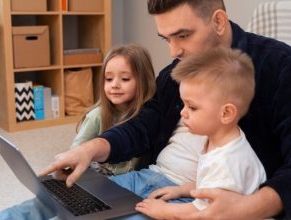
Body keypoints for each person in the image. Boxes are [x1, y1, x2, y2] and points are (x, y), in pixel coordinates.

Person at [41, 0, 291, 219]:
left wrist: (246, 208)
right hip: (153, 179)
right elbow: (142, 126)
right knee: (45, 204)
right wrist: (90, 148)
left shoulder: (280, 67)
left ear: (218, 21)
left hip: (196, 200)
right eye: (166, 39)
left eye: (182, 36)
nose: (173, 51)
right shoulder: (174, 72)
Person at [135, 46, 267, 219]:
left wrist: (163, 211)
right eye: (183, 104)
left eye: (192, 107)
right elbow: (208, 184)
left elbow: (205, 212)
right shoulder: (218, 141)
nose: (183, 113)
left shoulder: (228, 161)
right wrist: (181, 190)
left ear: (226, 113)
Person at [71, 43, 156, 176]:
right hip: (102, 179)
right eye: (109, 79)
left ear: (144, 81)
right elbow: (75, 153)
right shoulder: (96, 116)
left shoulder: (150, 116)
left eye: (125, 79)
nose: (114, 85)